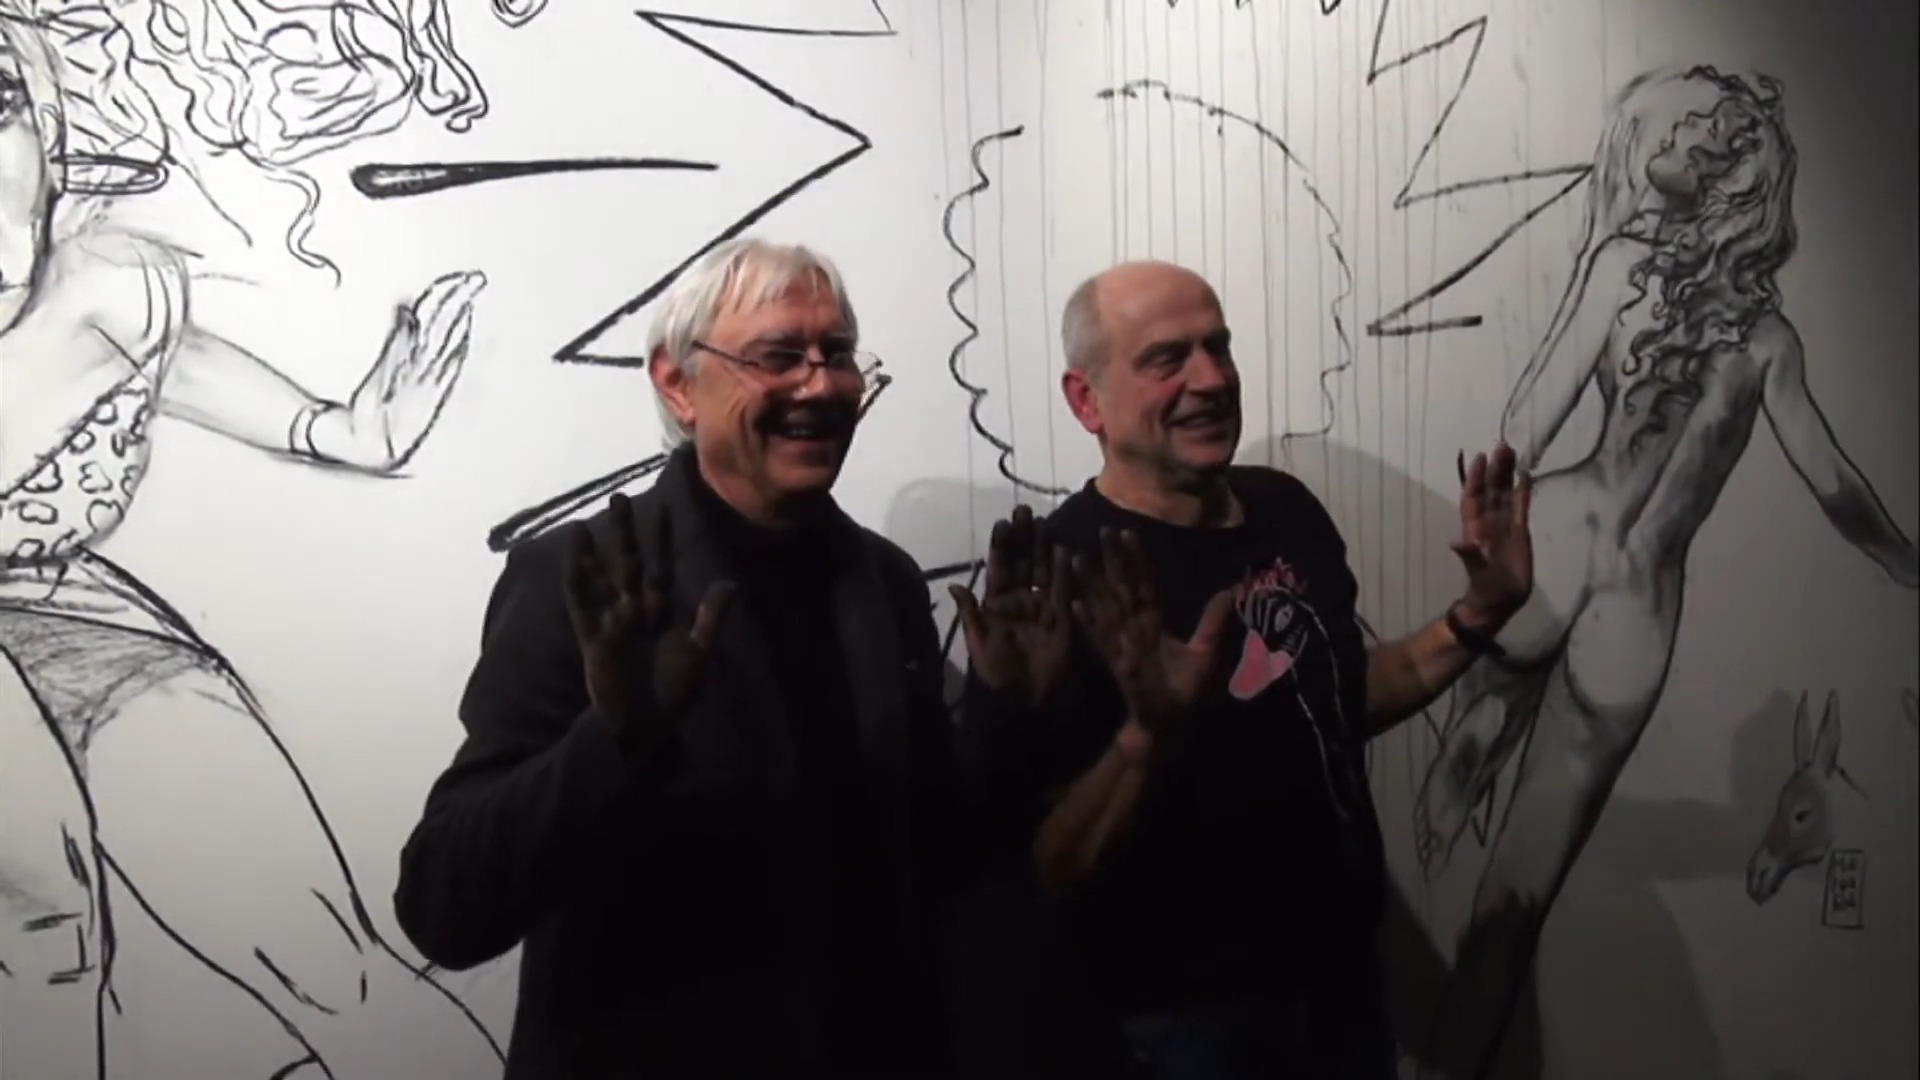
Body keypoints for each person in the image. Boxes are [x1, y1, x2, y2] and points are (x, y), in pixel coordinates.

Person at [3, 5, 497, 1077]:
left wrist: (343, 431)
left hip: (80, 623)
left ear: (48, 118)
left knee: (329, 963)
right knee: (43, 935)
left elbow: (164, 360)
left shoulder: (111, 289)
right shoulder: (90, 310)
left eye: (2, 102)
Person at [1410, 65, 1917, 1080]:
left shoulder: (1621, 270)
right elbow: (1835, 487)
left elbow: (1522, 424)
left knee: (1464, 757)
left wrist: (1493, 525)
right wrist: (1906, 562)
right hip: (1638, 612)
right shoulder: (1771, 345)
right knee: (1515, 905)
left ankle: (1476, 744)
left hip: (1558, 537)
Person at [395, 238, 977, 1078]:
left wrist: (1014, 716)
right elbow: (443, 907)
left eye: (839, 354)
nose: (821, 385)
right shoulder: (579, 578)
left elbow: (931, 861)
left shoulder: (882, 581)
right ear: (677, 383)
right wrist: (614, 742)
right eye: (779, 356)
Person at [949, 259, 1535, 1079]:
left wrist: (1480, 613)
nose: (1212, 379)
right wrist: (1149, 735)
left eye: (1218, 347)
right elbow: (1037, 871)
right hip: (1171, 1025)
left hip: (1340, 988)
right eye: (1168, 359)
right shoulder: (1054, 578)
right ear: (1087, 401)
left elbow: (1329, 698)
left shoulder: (1285, 510)